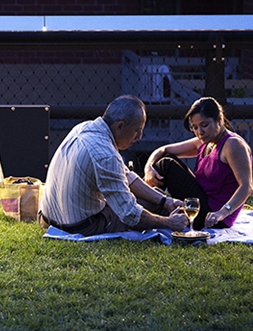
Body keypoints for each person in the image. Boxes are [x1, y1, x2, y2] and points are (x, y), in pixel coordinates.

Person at [38, 95, 188, 236]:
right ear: (120, 126)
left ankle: (167, 208)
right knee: (149, 208)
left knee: (154, 197)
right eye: (137, 130)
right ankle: (183, 226)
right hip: (80, 228)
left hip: (48, 219)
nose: (139, 137)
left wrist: (165, 200)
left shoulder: (84, 128)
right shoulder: (107, 155)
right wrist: (168, 223)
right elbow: (130, 215)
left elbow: (126, 176)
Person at [142, 97, 253, 230]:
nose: (200, 132)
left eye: (204, 125)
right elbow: (163, 149)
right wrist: (148, 168)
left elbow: (247, 186)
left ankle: (142, 208)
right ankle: (143, 206)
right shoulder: (206, 142)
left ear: (219, 120)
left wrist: (222, 213)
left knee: (167, 164)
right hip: (199, 203)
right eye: (194, 127)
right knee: (164, 161)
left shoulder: (233, 144)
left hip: (212, 216)